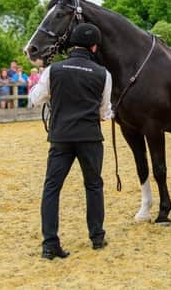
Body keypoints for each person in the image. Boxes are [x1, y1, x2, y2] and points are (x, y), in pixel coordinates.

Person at [29, 23, 113, 260]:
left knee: (52, 188)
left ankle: (50, 243)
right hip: (89, 136)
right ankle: (97, 237)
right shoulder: (103, 74)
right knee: (94, 185)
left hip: (61, 136)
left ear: (73, 44)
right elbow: (104, 112)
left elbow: (35, 100)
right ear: (94, 47)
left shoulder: (54, 70)